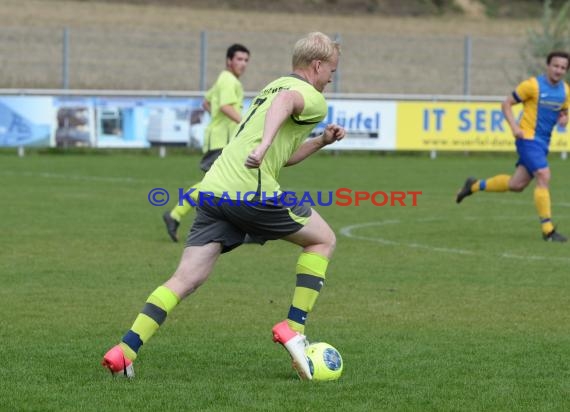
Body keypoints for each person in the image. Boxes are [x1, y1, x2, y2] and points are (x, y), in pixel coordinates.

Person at [103, 32, 345, 380]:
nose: (331, 79)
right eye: (331, 72)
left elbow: (284, 156)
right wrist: (263, 147)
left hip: (215, 192)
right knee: (323, 239)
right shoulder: (308, 97)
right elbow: (287, 104)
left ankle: (125, 350)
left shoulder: (270, 87)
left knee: (186, 277)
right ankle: (294, 328)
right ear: (317, 66)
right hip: (250, 192)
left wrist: (321, 140)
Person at [456, 51, 570, 242]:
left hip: (542, 143)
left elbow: (564, 113)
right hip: (527, 138)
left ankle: (473, 186)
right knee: (543, 174)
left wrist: (564, 119)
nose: (558, 70)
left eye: (563, 68)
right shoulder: (532, 85)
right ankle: (548, 230)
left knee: (516, 185)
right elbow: (506, 104)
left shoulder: (565, 91)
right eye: (555, 66)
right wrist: (515, 127)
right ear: (548, 66)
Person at [163, 43, 250, 242]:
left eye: (246, 60)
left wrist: (217, 121)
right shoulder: (228, 80)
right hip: (222, 142)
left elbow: (207, 102)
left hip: (219, 139)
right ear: (229, 61)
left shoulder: (224, 79)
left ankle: (176, 215)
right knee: (216, 184)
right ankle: (176, 214)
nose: (243, 64)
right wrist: (245, 124)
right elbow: (226, 106)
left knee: (222, 184)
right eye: (239, 59)